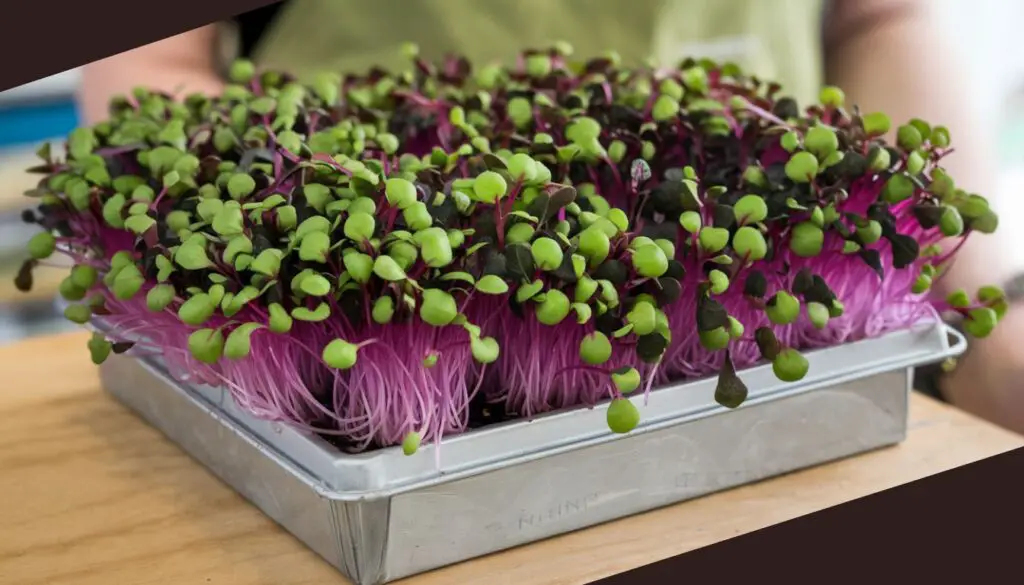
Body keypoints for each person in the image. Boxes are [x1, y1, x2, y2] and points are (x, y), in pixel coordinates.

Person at [76, 0, 1024, 433]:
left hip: (768, 321)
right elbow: (150, 59)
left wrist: (993, 320)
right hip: (353, 314)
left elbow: (880, 17)